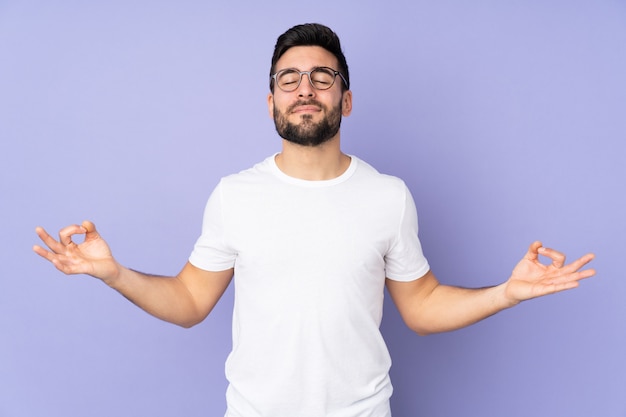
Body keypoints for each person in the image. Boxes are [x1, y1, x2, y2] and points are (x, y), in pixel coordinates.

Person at [33, 23, 596, 417]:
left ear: (345, 100)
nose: (305, 89)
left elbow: (421, 307)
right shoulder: (235, 195)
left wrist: (508, 292)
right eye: (289, 79)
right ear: (271, 102)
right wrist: (114, 273)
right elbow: (189, 302)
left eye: (322, 78)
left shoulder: (388, 196)